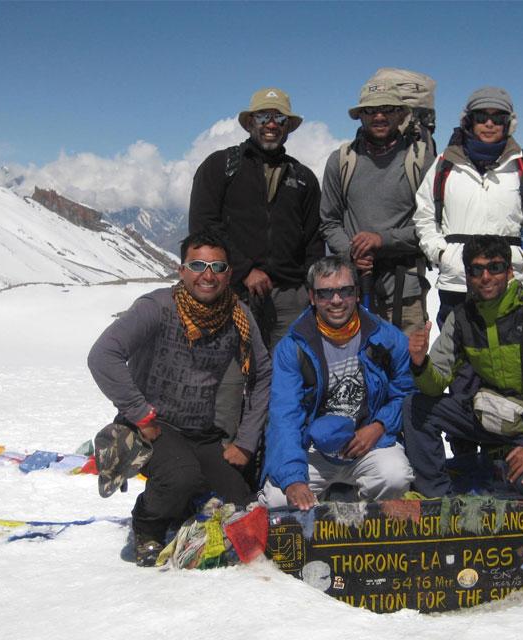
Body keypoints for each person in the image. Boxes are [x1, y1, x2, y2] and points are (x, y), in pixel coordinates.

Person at [88, 230, 271, 566]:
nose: (208, 275)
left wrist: (245, 442)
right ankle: (148, 525)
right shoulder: (156, 308)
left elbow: (262, 375)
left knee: (241, 503)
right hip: (153, 426)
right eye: (198, 265)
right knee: (180, 476)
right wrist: (141, 415)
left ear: (230, 274)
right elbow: (103, 355)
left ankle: (183, 505)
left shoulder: (238, 315)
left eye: (217, 267)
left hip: (202, 430)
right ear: (181, 270)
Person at [403, 235, 523, 497]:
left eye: (495, 267)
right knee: (415, 406)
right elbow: (435, 383)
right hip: (494, 415)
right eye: (476, 270)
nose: (486, 277)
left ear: (509, 271)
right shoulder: (463, 319)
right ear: (467, 275)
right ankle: (436, 497)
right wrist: (420, 364)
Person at [260, 255, 415, 510]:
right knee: (279, 499)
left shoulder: (386, 338)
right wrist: (293, 481)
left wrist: (379, 425)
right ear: (312, 297)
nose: (336, 300)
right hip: (312, 449)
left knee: (395, 476)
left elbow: (405, 393)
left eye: (345, 291)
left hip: (368, 443)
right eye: (325, 293)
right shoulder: (293, 347)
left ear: (356, 293)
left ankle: (360, 520)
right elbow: (285, 416)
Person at [189, 87, 323, 349]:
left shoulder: (304, 177)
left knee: (288, 379)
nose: (271, 124)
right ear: (250, 123)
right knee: (231, 377)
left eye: (280, 118)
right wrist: (244, 270)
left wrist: (312, 287)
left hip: (290, 299)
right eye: (263, 117)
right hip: (233, 293)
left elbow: (314, 240)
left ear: (288, 127)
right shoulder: (220, 166)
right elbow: (202, 228)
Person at [414, 87, 523, 327]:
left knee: (508, 359)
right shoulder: (444, 166)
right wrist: (441, 254)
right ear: (469, 121)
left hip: (508, 283)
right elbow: (424, 216)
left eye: (498, 118)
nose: (489, 124)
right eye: (481, 117)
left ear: (509, 123)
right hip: (457, 281)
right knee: (457, 358)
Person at [319, 80, 435, 333]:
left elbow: (432, 227)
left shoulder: (420, 159)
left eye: (388, 109)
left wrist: (382, 240)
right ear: (360, 116)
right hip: (352, 292)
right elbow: (329, 221)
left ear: (401, 114)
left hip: (406, 293)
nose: (379, 116)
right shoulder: (341, 161)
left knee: (408, 369)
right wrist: (353, 252)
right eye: (371, 110)